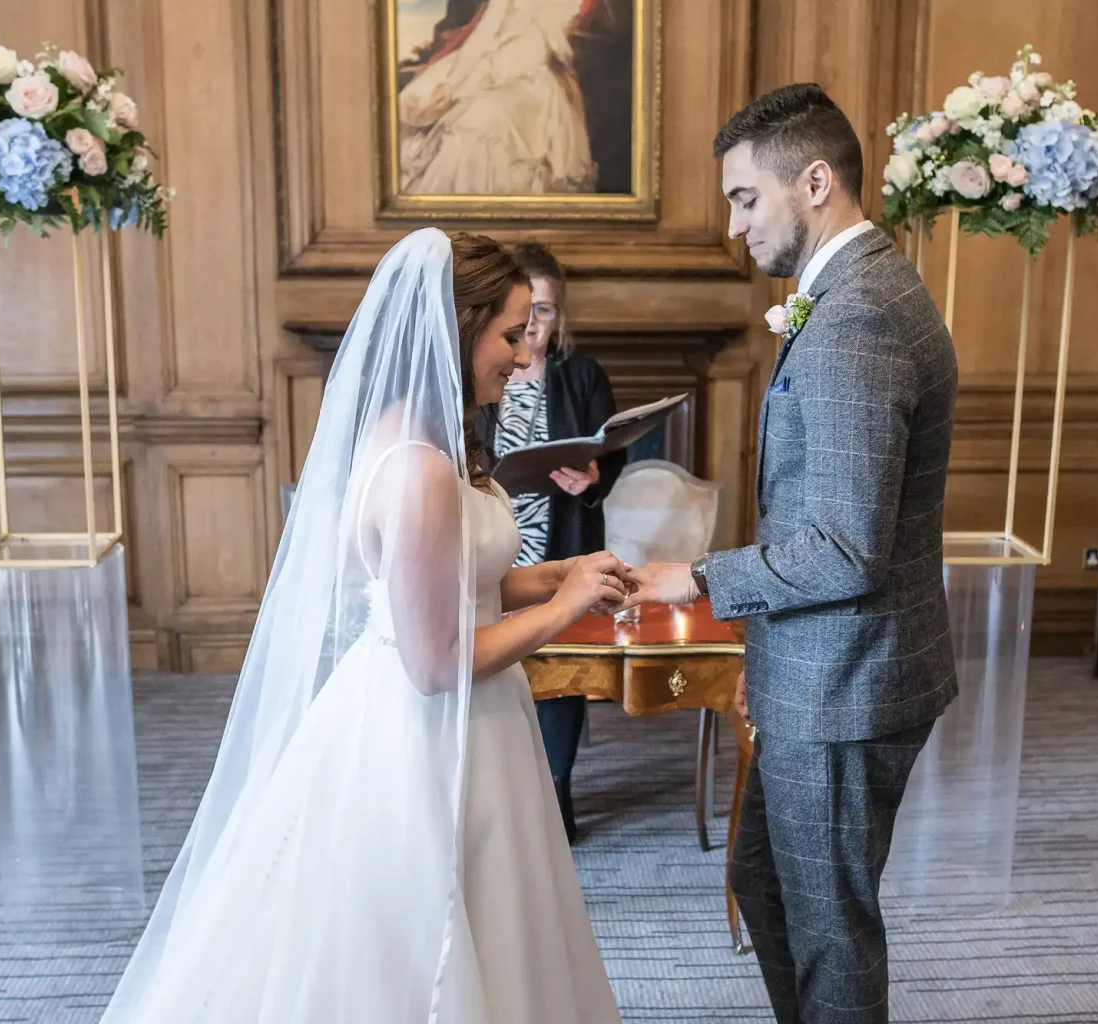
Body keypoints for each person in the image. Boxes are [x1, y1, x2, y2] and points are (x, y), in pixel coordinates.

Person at [99, 228, 626, 1023]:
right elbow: (436, 660)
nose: (524, 357)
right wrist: (563, 609)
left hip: (478, 722)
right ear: (460, 328)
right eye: (511, 335)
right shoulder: (417, 471)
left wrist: (556, 574)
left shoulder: (434, 445)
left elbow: (461, 581)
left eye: (528, 336)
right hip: (426, 731)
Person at [624, 85, 959, 1024]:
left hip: (852, 683)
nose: (734, 229)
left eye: (743, 200)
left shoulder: (857, 317)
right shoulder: (854, 291)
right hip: (816, 667)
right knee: (764, 885)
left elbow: (846, 551)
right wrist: (764, 663)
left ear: (814, 181)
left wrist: (695, 576)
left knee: (828, 928)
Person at [477, 241, 625, 843]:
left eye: (547, 311)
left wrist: (590, 478)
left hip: (558, 530)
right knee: (506, 658)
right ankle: (512, 789)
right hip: (497, 535)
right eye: (527, 311)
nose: (535, 325)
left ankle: (557, 784)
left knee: (562, 665)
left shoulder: (582, 374)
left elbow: (610, 453)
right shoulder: (482, 377)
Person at [398, 0, 596, 195]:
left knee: (484, 120)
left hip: (534, 83)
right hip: (487, 69)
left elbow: (561, 49)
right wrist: (454, 83)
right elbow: (481, 39)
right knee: (468, 119)